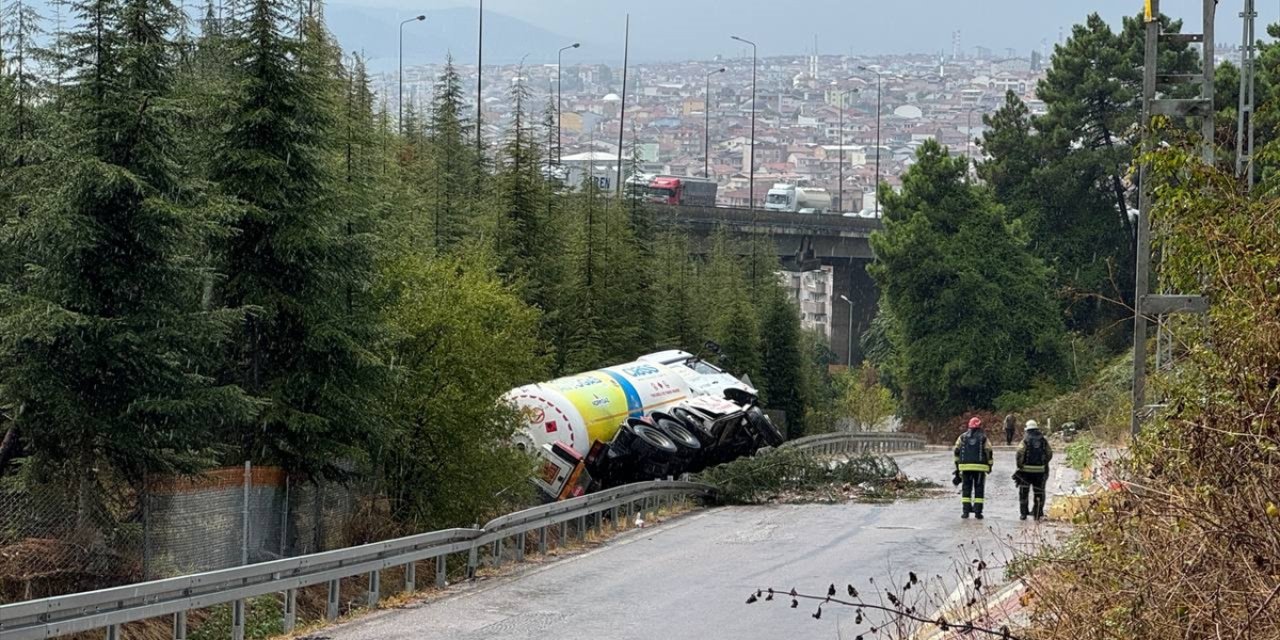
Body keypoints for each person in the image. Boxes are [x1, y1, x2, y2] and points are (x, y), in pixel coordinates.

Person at [953, 416, 994, 519]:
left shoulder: (962, 437)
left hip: (965, 468)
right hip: (980, 469)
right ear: (979, 426)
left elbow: (956, 451)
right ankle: (978, 512)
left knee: (966, 489)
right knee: (979, 489)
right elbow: (989, 451)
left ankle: (965, 512)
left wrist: (957, 467)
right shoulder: (984, 437)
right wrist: (990, 465)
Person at [1016, 419, 1053, 521]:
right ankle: (1037, 513)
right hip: (1040, 471)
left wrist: (1020, 466)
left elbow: (1019, 453)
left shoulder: (1025, 440)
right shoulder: (1043, 440)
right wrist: (1043, 463)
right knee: (1039, 492)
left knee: (1024, 492)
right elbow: (1049, 453)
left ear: (1027, 429)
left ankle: (1023, 514)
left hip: (1025, 472)